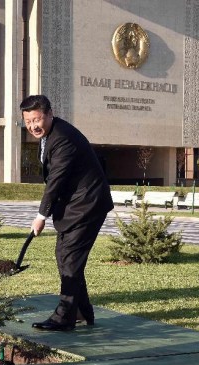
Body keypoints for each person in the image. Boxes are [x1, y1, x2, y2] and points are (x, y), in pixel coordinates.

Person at [20, 95, 114, 331]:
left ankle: (65, 317)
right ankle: (82, 311)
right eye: (28, 122)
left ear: (50, 114)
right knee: (65, 256)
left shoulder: (64, 139)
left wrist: (41, 216)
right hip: (76, 206)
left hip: (87, 205)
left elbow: (56, 180)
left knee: (70, 259)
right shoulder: (51, 135)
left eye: (37, 119)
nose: (33, 126)